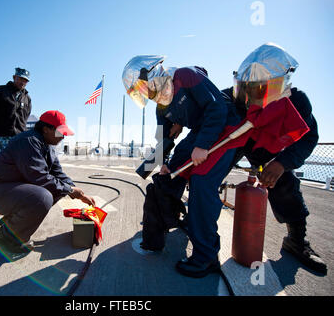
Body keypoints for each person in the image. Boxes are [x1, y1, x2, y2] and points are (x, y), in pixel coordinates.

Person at [122, 55, 240, 278]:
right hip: (200, 132)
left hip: (224, 126)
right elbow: (163, 140)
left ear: (152, 75)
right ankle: (172, 218)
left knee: (201, 185)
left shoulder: (186, 75)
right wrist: (164, 164)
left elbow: (216, 107)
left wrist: (203, 145)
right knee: (167, 178)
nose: (145, 93)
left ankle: (206, 257)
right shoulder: (160, 106)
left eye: (143, 87)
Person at [222, 43, 327, 275]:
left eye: (259, 89)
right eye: (247, 89)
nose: (251, 97)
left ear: (277, 86)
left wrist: (282, 164)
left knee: (286, 187)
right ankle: (196, 218)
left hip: (272, 150)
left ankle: (296, 241)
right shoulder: (235, 99)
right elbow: (217, 102)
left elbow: (310, 138)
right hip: (243, 142)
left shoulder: (297, 102)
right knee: (211, 172)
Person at [0, 110, 95, 253]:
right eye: (60, 132)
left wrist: (76, 191)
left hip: (4, 189)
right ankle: (8, 239)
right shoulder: (28, 141)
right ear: (46, 129)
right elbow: (39, 177)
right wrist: (70, 190)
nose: (62, 137)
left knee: (58, 189)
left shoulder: (48, 145)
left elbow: (58, 173)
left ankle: (11, 225)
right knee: (42, 197)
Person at [0, 67, 32, 158]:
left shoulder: (27, 98)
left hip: (19, 138)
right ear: (14, 77)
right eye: (20, 79)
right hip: (0, 136)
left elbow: (26, 116)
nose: (22, 82)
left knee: (17, 166)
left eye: (25, 80)